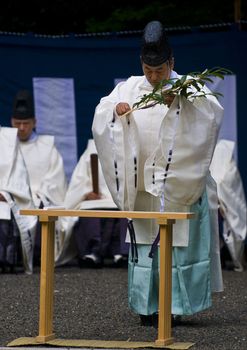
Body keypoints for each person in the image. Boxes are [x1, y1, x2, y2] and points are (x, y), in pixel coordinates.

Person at [92, 20, 224, 327]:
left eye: (160, 70)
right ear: (142, 64)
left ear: (172, 63)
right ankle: (146, 306)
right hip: (142, 187)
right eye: (149, 71)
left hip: (177, 186)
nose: (154, 77)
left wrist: (182, 104)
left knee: (178, 246)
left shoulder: (189, 86)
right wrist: (117, 112)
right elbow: (102, 113)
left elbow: (211, 114)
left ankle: (177, 307)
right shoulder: (128, 86)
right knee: (144, 245)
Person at [11, 89, 68, 264]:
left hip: (38, 196)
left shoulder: (47, 146)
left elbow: (55, 179)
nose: (21, 128)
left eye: (26, 123)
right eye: (18, 123)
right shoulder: (3, 145)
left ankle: (37, 255)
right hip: (9, 197)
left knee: (41, 208)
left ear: (34, 122)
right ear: (11, 121)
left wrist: (40, 194)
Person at [55, 139, 128, 268]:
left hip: (122, 198)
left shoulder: (129, 143)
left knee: (126, 210)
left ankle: (121, 253)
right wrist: (86, 192)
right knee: (89, 210)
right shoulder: (93, 148)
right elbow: (80, 179)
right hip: (96, 197)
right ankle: (92, 252)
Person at [0, 125, 37, 274]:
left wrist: (6, 193)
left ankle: (4, 259)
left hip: (3, 194)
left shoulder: (7, 139)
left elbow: (18, 177)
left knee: (3, 210)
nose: (22, 127)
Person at [210, 139, 247, 272]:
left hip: (226, 209)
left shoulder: (225, 169)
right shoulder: (225, 169)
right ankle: (235, 261)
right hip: (224, 209)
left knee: (231, 235)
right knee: (228, 235)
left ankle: (237, 261)